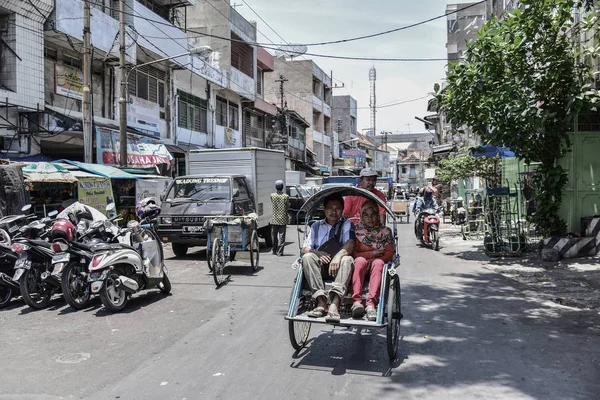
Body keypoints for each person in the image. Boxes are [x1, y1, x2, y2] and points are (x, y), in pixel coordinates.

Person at [302, 193, 355, 323]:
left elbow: (350, 243)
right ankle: (321, 302)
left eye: (337, 208)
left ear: (342, 210)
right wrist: (318, 253)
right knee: (307, 257)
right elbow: (304, 248)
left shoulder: (347, 224)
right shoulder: (316, 226)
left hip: (340, 268)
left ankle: (334, 304)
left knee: (347, 259)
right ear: (324, 209)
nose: (333, 211)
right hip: (320, 266)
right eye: (330, 208)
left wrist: (338, 256)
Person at [351, 199, 394, 320]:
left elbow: (389, 254)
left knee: (378, 262)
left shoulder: (386, 232)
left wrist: (372, 258)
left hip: (377, 267)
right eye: (366, 215)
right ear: (361, 216)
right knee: (359, 261)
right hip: (361, 264)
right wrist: (372, 253)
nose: (370, 218)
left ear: (378, 215)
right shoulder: (356, 231)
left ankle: (371, 304)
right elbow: (353, 253)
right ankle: (357, 302)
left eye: (373, 214)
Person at [270, 180, 290, 256]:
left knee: (274, 236)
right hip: (283, 219)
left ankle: (274, 250)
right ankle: (280, 252)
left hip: (274, 219)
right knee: (282, 236)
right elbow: (287, 207)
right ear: (282, 187)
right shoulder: (286, 196)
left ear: (276, 187)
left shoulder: (272, 195)